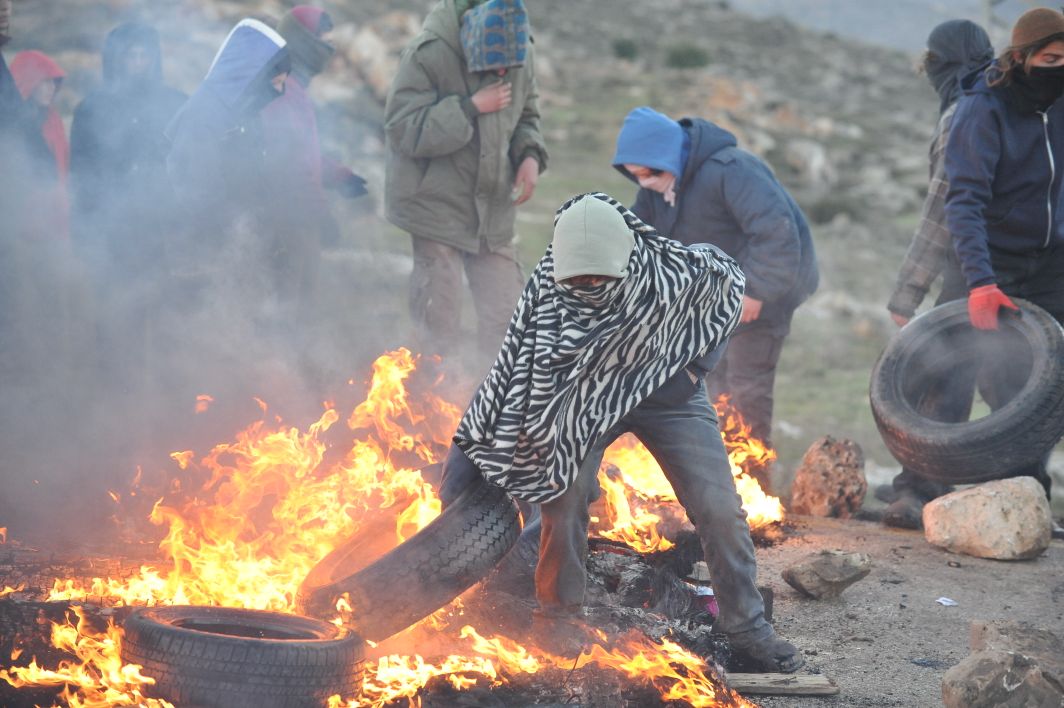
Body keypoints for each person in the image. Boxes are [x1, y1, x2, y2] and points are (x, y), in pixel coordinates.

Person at [440, 192, 804, 672]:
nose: (590, 285)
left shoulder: (679, 271)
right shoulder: (547, 292)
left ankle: (747, 627)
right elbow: (514, 375)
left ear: (628, 258)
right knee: (563, 495)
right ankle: (559, 618)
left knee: (720, 510)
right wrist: (466, 466)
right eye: (581, 279)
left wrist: (692, 369)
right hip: (588, 400)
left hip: (669, 395)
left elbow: (727, 296)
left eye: (601, 276)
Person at [611, 106, 818, 493]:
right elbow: (641, 243)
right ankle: (718, 484)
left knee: (745, 385)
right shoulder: (656, 190)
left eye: (651, 172)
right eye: (636, 175)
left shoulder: (731, 170)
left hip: (769, 290)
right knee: (709, 384)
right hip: (714, 298)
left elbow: (776, 231)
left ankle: (754, 487)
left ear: (669, 157)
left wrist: (755, 290)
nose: (646, 182)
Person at [944, 7, 1064, 522]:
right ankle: (925, 487)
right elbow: (964, 200)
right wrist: (981, 281)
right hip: (990, 261)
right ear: (1022, 58)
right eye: (1052, 58)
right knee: (980, 373)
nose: (1060, 68)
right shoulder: (983, 108)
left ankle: (1029, 501)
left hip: (1052, 261)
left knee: (1044, 382)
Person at [384, 0, 548, 368]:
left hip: (492, 205)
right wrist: (470, 107)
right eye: (496, 67)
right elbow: (402, 130)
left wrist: (530, 155)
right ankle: (434, 403)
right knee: (438, 313)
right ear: (469, 47)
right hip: (433, 200)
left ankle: (498, 405)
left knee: (508, 315)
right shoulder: (430, 52)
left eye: (512, 67)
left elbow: (527, 113)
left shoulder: (517, 45)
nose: (505, 71)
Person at [879, 20, 994, 529]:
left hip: (976, 264)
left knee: (944, 371)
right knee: (1009, 377)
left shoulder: (964, 110)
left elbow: (942, 211)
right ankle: (1021, 489)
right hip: (1029, 259)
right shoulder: (1022, 103)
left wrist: (907, 291)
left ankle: (922, 486)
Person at [165, 17, 290, 282]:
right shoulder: (203, 114)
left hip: (239, 242)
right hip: (204, 249)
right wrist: (232, 234)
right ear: (256, 78)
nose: (280, 91)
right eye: (276, 82)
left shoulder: (245, 114)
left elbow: (253, 175)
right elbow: (198, 186)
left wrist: (267, 231)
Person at [261, 6, 367, 311]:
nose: (328, 49)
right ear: (305, 42)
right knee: (291, 301)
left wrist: (336, 174)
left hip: (295, 209)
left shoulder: (292, 86)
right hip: (287, 213)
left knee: (298, 298)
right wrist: (320, 212)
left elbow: (303, 150)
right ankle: (279, 359)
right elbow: (289, 158)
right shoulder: (284, 88)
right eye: (322, 39)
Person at [10, 50, 69, 241]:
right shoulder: (11, 125)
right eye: (45, 81)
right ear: (29, 82)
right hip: (21, 225)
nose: (51, 88)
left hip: (56, 217)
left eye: (54, 82)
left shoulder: (53, 120)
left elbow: (62, 169)